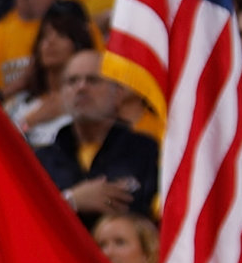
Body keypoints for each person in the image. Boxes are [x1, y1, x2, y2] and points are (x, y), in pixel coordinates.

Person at [37, 49, 157, 227]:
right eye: (72, 81)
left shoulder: (146, 150)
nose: (81, 87)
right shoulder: (42, 159)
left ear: (117, 94)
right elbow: (26, 221)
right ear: (62, 94)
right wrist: (72, 201)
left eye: (93, 80)